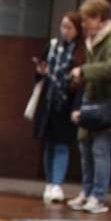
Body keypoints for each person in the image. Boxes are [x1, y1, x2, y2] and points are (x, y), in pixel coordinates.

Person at [68, 0, 111, 214]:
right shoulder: (93, 40)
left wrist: (85, 72)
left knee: (100, 150)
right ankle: (88, 191)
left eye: (87, 20)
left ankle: (98, 195)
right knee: (85, 147)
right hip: (93, 100)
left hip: (109, 102)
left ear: (99, 17)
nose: (84, 25)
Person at [32, 13, 82, 204]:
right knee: (49, 143)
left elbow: (81, 81)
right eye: (63, 27)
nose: (65, 31)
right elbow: (38, 74)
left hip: (67, 102)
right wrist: (40, 71)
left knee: (62, 144)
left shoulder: (80, 51)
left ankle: (57, 183)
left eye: (69, 27)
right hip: (49, 101)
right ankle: (50, 181)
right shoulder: (52, 46)